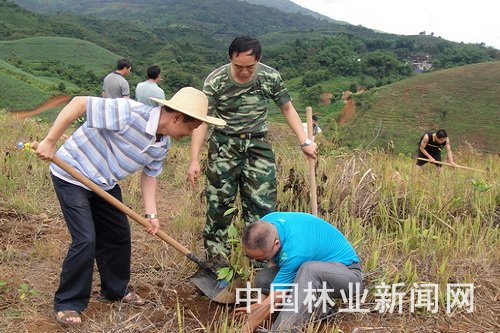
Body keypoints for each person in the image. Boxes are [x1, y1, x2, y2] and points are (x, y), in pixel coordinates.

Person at [35, 87, 226, 326]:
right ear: (177, 117)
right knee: (85, 239)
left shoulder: (162, 144)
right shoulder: (130, 113)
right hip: (72, 174)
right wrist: (50, 141)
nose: (190, 133)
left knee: (119, 234)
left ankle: (115, 290)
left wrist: (151, 214)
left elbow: (149, 175)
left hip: (104, 182)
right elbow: (79, 103)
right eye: (191, 128)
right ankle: (68, 303)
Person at [187, 36, 317, 259]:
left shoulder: (269, 76)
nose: (244, 72)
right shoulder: (216, 80)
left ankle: (261, 260)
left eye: (250, 67)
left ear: (258, 60)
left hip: (258, 146)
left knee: (262, 207)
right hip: (224, 146)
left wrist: (304, 141)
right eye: (238, 66)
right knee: (219, 205)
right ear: (230, 59)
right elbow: (202, 120)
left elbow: (287, 108)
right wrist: (194, 159)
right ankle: (217, 261)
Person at [236, 212, 363, 332]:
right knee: (264, 278)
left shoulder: (296, 250)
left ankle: (283, 330)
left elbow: (274, 299)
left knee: (309, 269)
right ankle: (320, 310)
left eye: (261, 258)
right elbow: (273, 269)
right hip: (315, 272)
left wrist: (245, 329)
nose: (257, 261)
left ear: (276, 244)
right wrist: (260, 305)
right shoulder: (266, 224)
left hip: (347, 275)